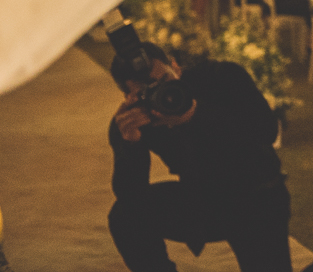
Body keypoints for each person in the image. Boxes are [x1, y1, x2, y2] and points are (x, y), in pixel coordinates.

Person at [107, 42, 291, 271]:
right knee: (124, 216)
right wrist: (130, 144)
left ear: (175, 66)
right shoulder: (134, 119)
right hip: (202, 199)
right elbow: (131, 197)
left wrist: (196, 114)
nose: (160, 94)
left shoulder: (222, 77)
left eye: (164, 81)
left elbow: (266, 130)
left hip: (257, 196)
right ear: (128, 96)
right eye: (146, 92)